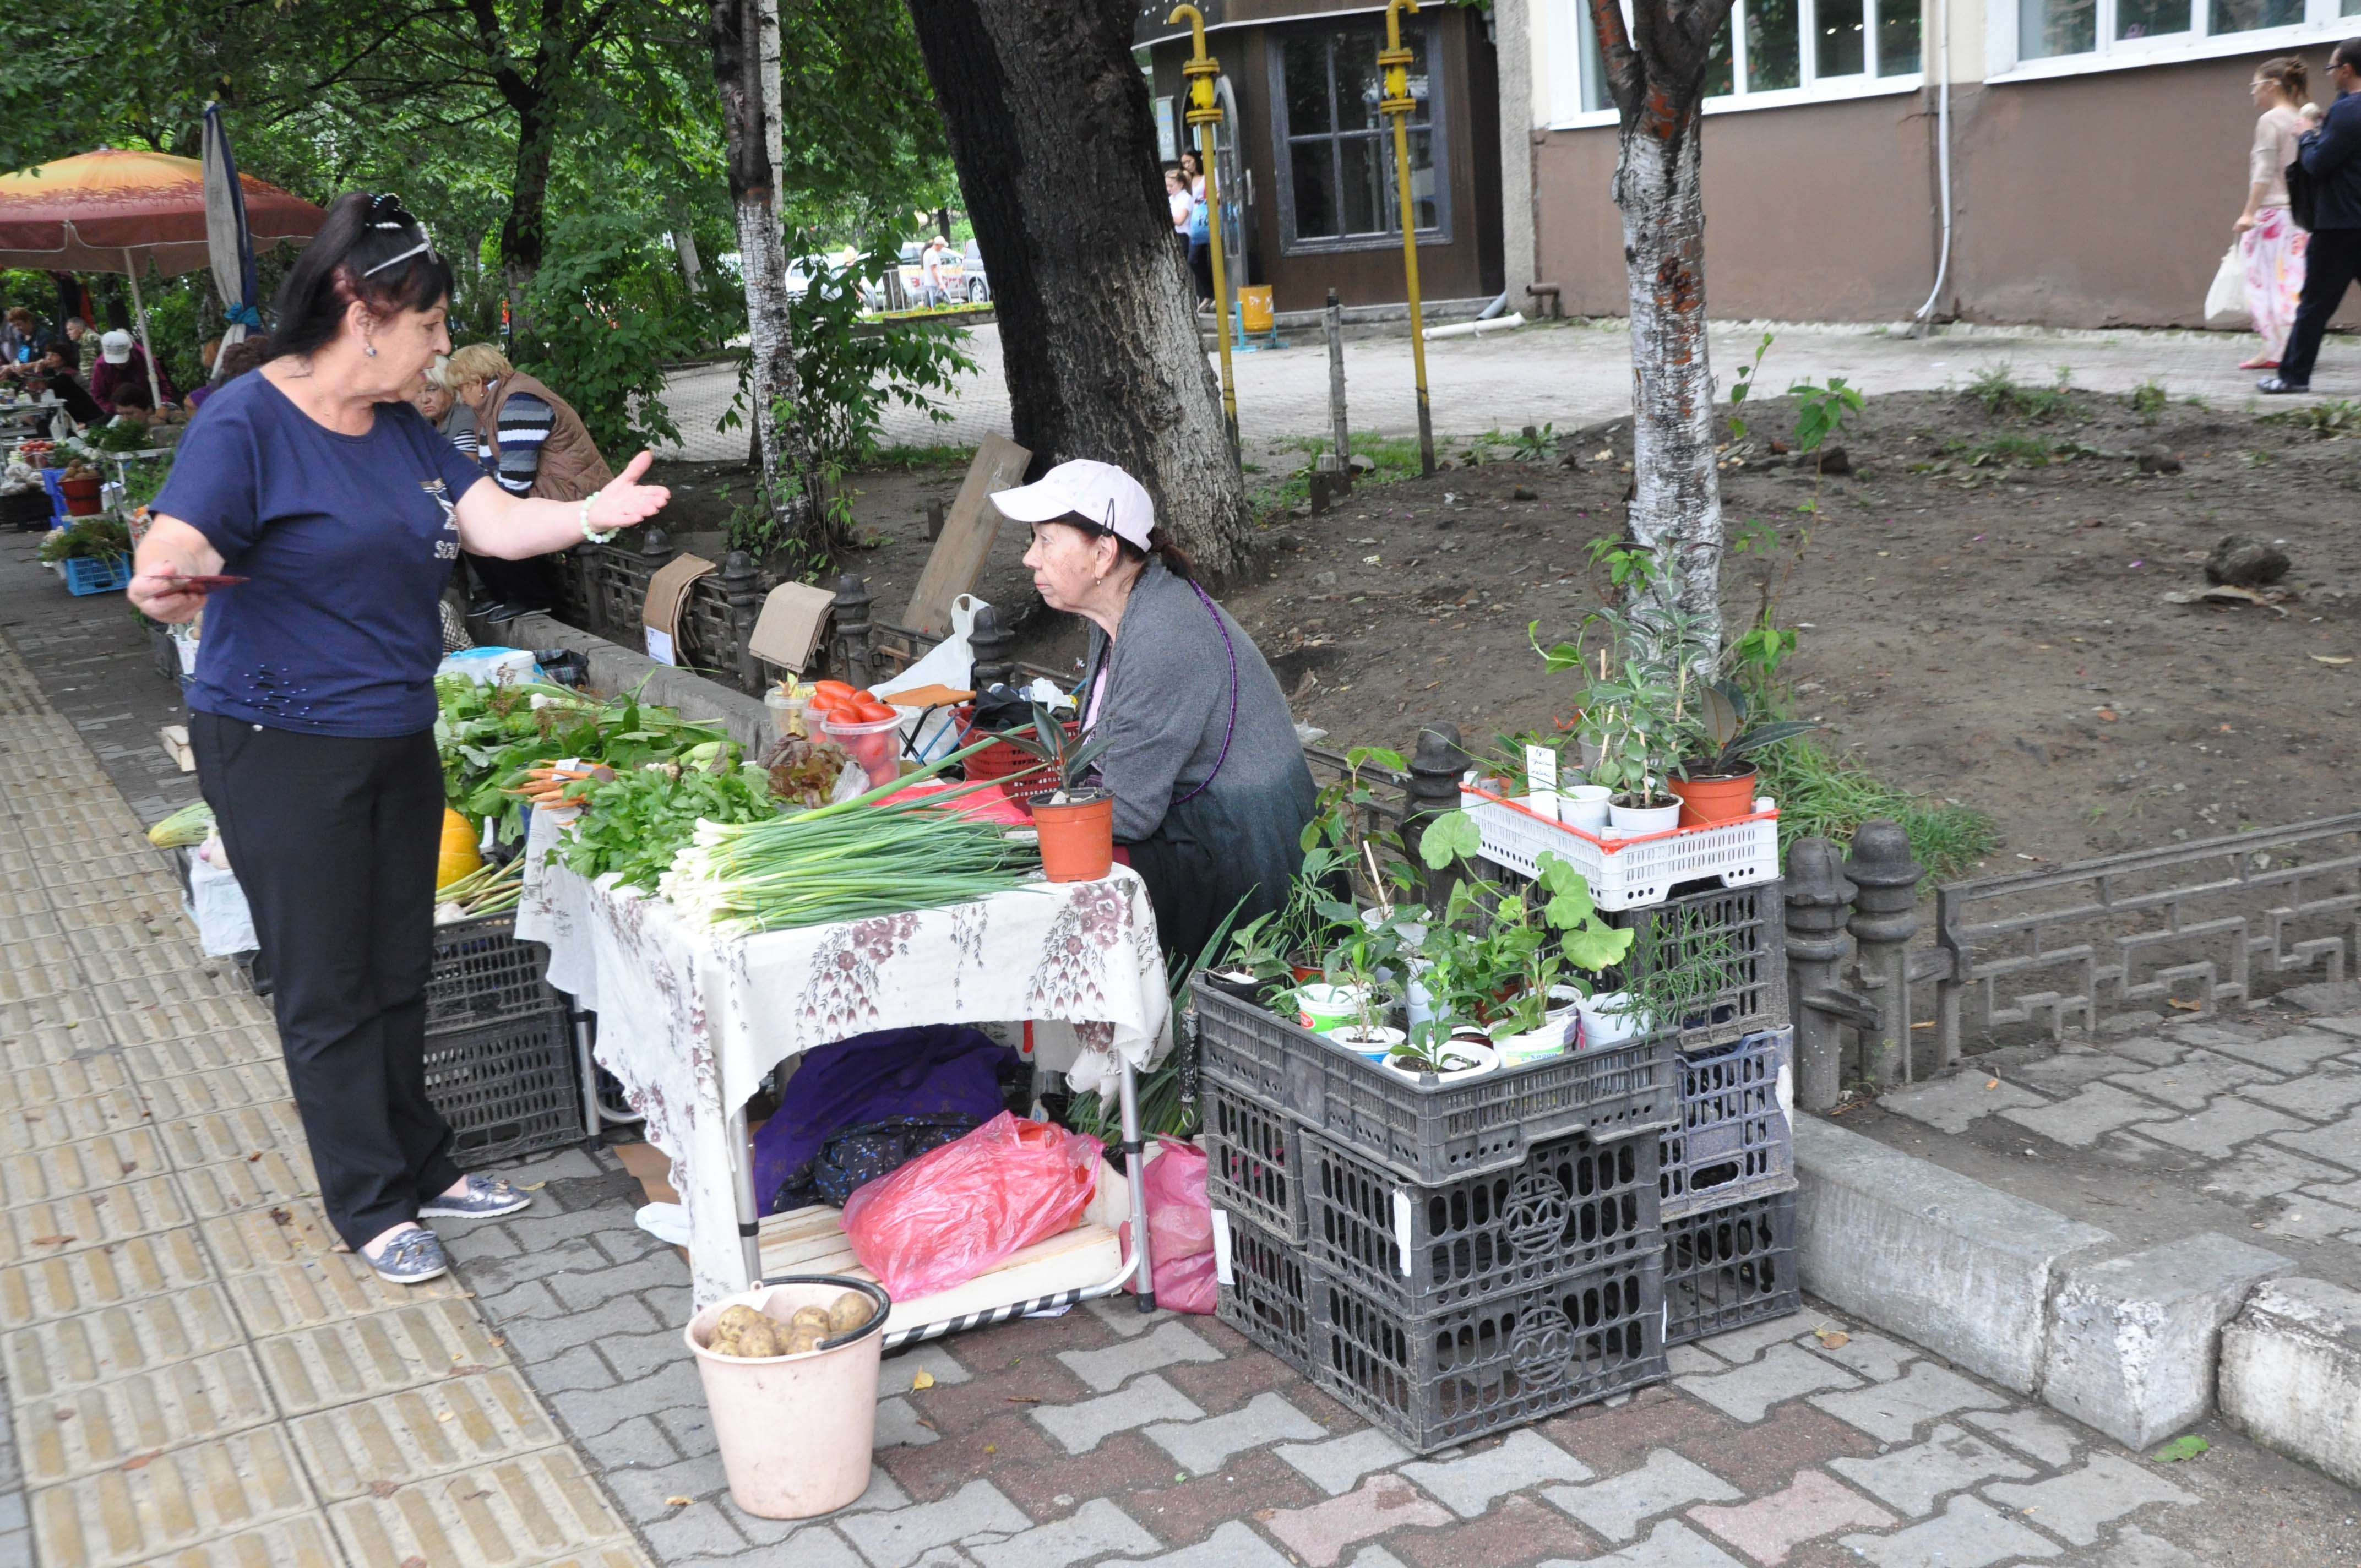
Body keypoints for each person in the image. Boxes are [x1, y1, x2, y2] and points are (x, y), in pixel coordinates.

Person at [126, 192, 672, 1286]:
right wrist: (166, 573)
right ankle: (369, 1201)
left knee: (398, 966)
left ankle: (424, 1161)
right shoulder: (247, 418)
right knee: (328, 985)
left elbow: (497, 522)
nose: (439, 348)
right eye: (426, 325)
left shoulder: (406, 432)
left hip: (393, 732)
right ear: (358, 306)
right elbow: (178, 537)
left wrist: (595, 512)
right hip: (278, 741)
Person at [991, 459, 1317, 964]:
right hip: (1206, 833)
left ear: (1103, 554)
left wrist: (1008, 833)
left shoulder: (1164, 635)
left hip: (1246, 869)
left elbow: (1128, 813)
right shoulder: (1121, 607)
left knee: (1038, 884)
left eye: (1046, 540)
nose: (1030, 558)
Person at [442, 341, 612, 619]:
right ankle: (505, 595)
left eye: (461, 388)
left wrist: (488, 509)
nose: (460, 398)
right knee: (468, 516)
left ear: (478, 381)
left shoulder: (519, 401)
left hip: (571, 490)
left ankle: (531, 597)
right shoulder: (492, 406)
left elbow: (515, 478)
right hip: (547, 487)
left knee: (489, 519)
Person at [2264, 39, 2361, 393]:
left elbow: (2318, 164)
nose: (2331, 75)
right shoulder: (2345, 110)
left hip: (2340, 225)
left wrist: (2306, 135)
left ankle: (2292, 379)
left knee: (2314, 306)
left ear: (2347, 70)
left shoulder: (2350, 110)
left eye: (2332, 68)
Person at [2237, 58, 2316, 371]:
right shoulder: (2302, 118)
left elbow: (2265, 171)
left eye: (2255, 86)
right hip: (2298, 216)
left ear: (2272, 85)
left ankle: (2275, 349)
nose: (2254, 94)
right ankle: (2287, 348)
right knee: (2291, 281)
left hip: (2271, 215)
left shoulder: (2270, 120)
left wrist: (2248, 213)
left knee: (2264, 283)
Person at [89, 328, 177, 408]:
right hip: (117, 410)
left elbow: (163, 386)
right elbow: (98, 395)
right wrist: (117, 410)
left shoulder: (147, 359)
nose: (119, 364)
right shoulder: (101, 366)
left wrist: (159, 406)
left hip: (149, 405)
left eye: (123, 360)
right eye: (115, 361)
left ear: (131, 351)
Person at [1181, 150, 1214, 310]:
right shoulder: (1187, 180)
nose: (1188, 165)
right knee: (1194, 259)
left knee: (1214, 258)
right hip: (1193, 223)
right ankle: (1209, 293)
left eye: (1189, 161)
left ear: (1196, 160)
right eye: (1184, 163)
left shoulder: (1209, 175)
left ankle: (1214, 294)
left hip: (1208, 218)